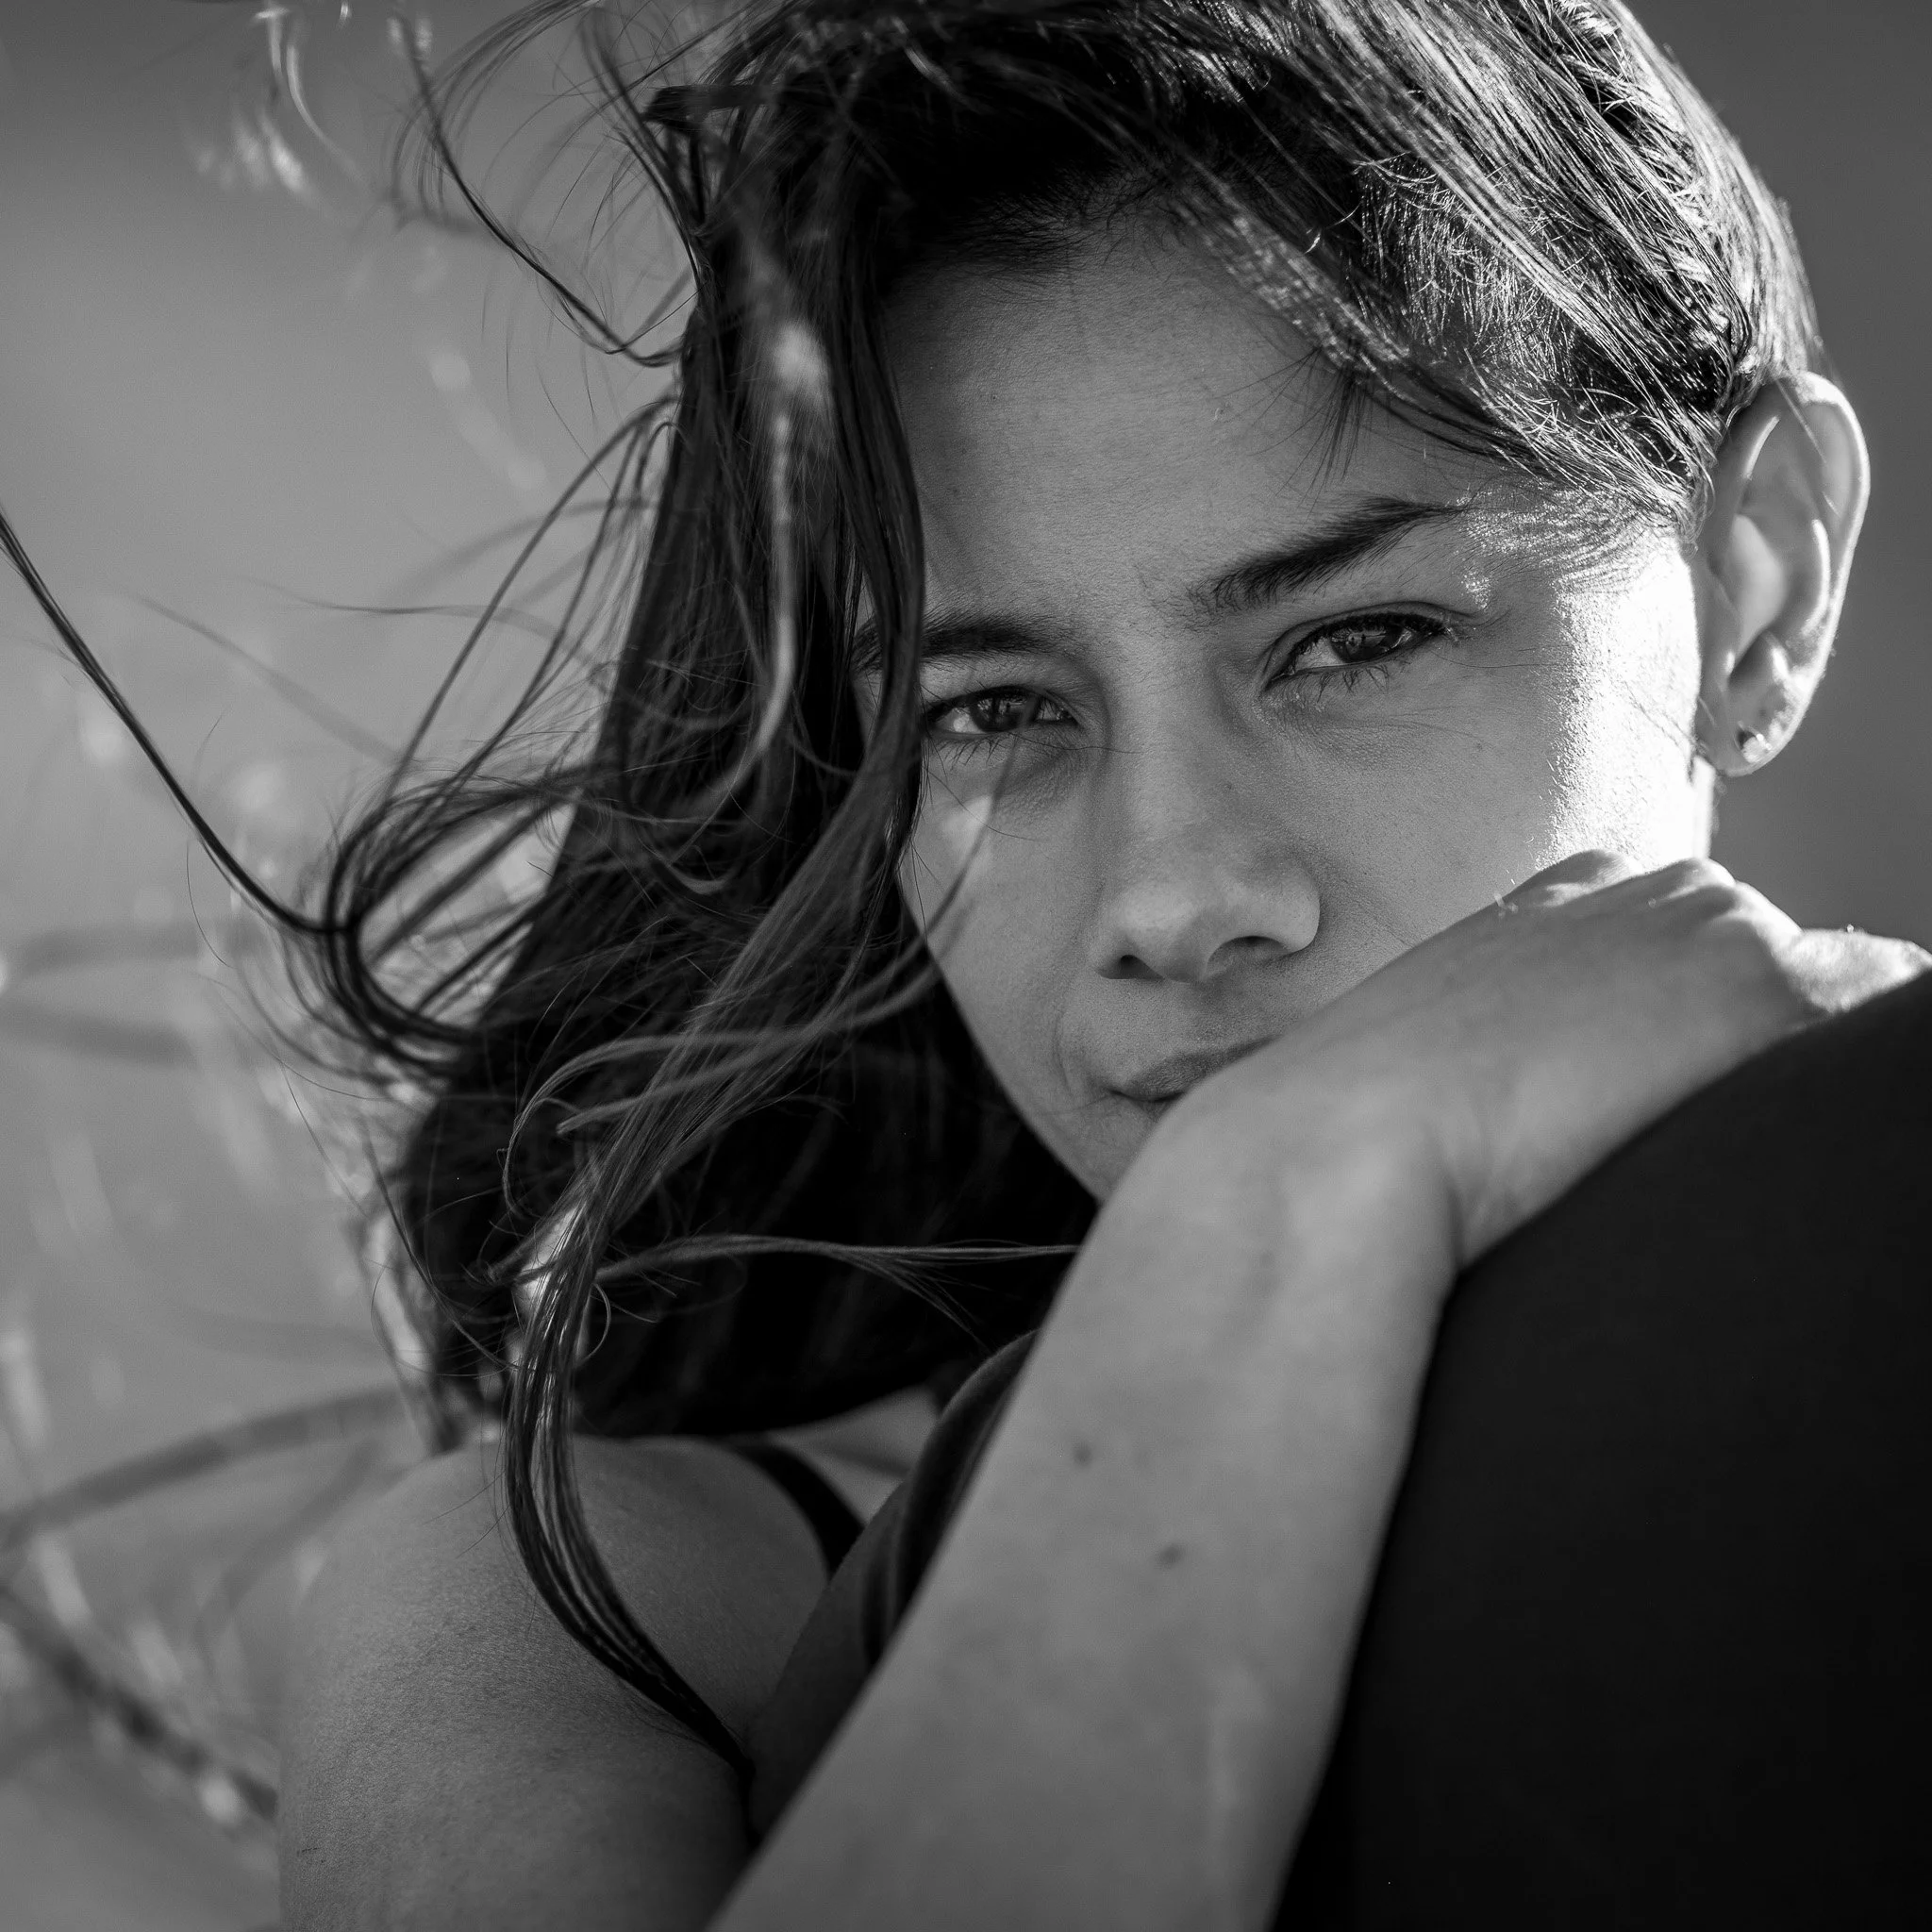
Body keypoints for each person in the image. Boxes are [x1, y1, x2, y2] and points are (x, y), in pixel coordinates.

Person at [24, 0, 1898, 1925]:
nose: (1171, 892)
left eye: (1358, 641)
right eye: (995, 712)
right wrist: (1292, 1192)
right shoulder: (597, 1602)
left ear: (1758, 575)